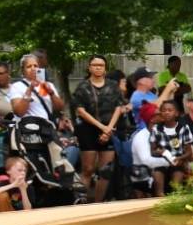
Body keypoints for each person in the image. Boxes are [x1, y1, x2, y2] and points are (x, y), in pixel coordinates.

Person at [72, 55, 122, 202]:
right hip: (88, 130)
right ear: (89, 67)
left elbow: (119, 107)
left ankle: (99, 202)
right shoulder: (83, 87)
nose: (98, 67)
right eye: (95, 65)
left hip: (109, 129)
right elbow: (80, 110)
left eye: (101, 65)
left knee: (106, 170)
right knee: (88, 169)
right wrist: (101, 127)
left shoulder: (113, 86)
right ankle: (82, 202)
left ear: (105, 68)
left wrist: (109, 128)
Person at [9, 52, 65, 122]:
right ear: (23, 70)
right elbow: (19, 112)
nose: (33, 68)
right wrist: (30, 89)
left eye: (35, 66)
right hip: (27, 128)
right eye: (29, 66)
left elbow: (60, 108)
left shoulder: (49, 85)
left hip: (47, 128)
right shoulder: (16, 86)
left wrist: (51, 93)